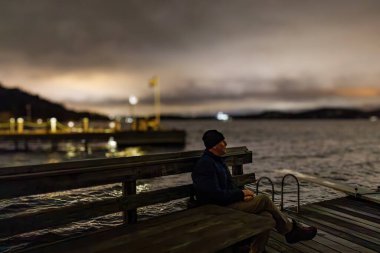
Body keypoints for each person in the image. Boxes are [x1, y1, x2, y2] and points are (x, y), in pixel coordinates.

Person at [191, 129, 317, 253]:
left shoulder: (218, 161)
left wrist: (242, 193)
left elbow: (230, 186)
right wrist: (241, 194)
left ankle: (257, 250)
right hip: (216, 209)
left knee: (267, 216)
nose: (226, 144)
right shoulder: (205, 164)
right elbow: (214, 196)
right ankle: (290, 231)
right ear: (214, 145)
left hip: (227, 203)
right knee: (264, 199)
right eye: (223, 142)